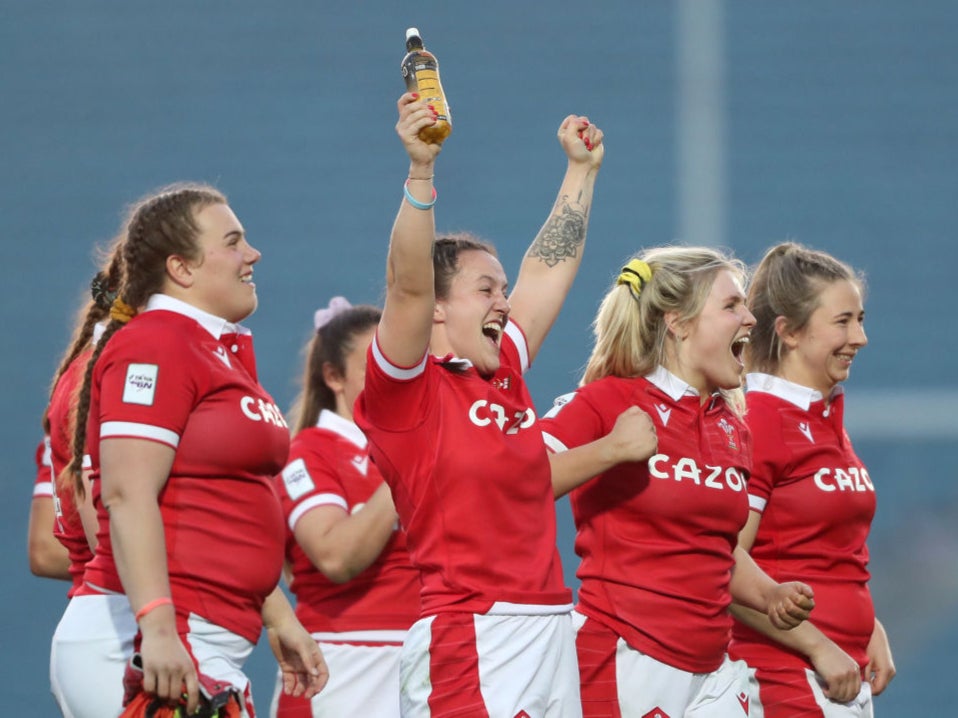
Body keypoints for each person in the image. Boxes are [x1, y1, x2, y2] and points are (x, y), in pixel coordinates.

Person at [354, 92, 605, 716]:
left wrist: (580, 172)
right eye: (485, 289)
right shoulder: (410, 391)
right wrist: (420, 171)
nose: (504, 301)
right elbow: (406, 287)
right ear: (439, 308)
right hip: (475, 638)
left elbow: (548, 273)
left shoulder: (504, 372)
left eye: (503, 289)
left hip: (549, 629)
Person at [51, 183, 327, 717]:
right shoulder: (158, 342)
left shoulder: (211, 349)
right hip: (147, 639)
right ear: (182, 268)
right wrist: (154, 625)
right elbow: (129, 494)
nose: (253, 254)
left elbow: (225, 501)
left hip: (203, 638)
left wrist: (279, 617)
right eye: (232, 242)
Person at [538, 247, 817, 717]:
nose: (750, 317)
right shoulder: (607, 401)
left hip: (713, 671)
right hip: (622, 657)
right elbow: (513, 484)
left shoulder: (732, 424)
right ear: (679, 322)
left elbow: (714, 549)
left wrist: (768, 592)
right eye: (731, 306)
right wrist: (610, 450)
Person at [728, 242, 896, 717]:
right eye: (843, 322)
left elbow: (826, 550)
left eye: (860, 319)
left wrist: (870, 628)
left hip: (841, 674)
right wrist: (818, 645)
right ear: (790, 332)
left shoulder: (823, 414)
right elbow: (721, 562)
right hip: (784, 676)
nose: (860, 337)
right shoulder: (758, 420)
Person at [269, 297, 419, 717]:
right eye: (377, 364)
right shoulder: (309, 453)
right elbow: (335, 556)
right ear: (333, 376)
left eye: (401, 362)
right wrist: (406, 464)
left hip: (424, 658)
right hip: (344, 669)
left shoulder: (425, 446)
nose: (393, 375)